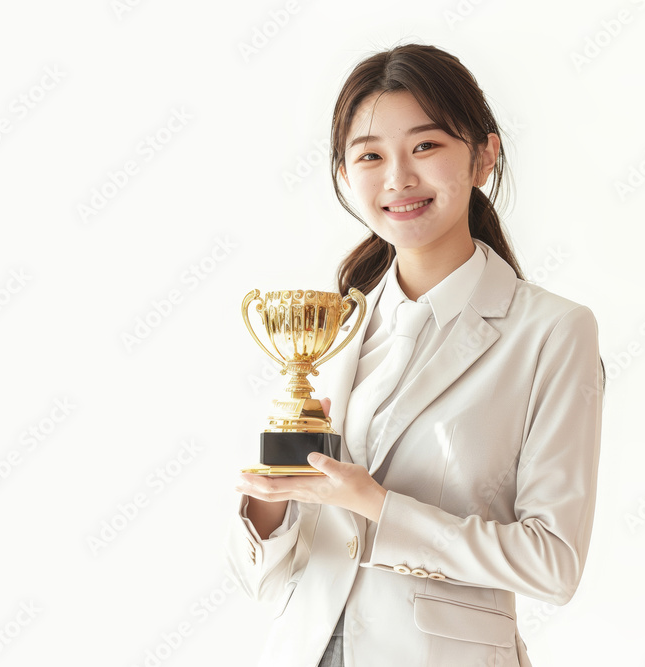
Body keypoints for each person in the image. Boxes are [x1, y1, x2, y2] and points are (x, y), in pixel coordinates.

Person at [226, 43, 605, 667]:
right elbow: (265, 580)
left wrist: (378, 507)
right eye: (370, 155)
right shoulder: (332, 330)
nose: (398, 178)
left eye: (425, 146)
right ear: (345, 175)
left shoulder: (552, 331)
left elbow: (553, 564)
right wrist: (270, 504)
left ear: (483, 156)